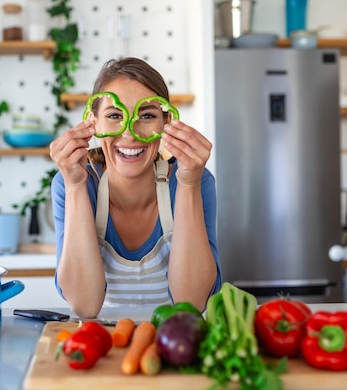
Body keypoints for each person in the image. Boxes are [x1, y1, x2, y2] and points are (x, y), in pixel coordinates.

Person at [49, 57, 221, 318]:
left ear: (166, 123)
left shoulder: (196, 179)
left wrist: (188, 183)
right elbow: (84, 306)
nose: (130, 133)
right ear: (93, 123)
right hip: (102, 348)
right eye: (114, 115)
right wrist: (74, 187)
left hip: (174, 346)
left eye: (147, 115)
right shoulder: (74, 182)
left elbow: (192, 303)